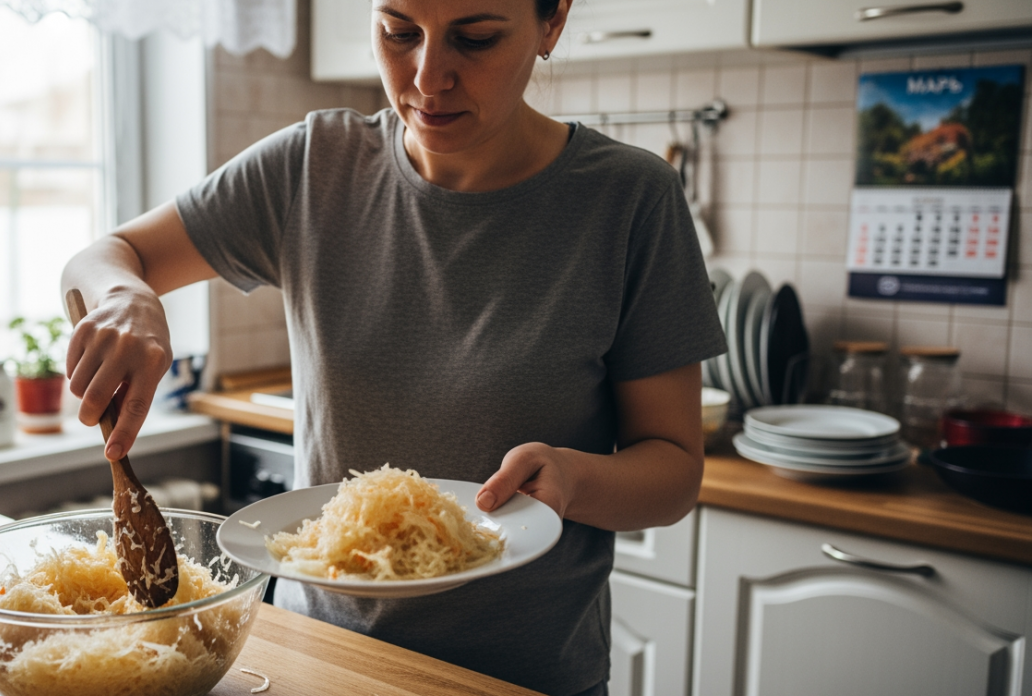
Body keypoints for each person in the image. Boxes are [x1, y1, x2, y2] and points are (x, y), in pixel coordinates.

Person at [61, 1, 726, 694]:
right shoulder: (313, 165)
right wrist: (124, 296)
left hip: (523, 677)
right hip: (319, 664)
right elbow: (104, 256)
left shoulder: (631, 199)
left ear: (551, 23)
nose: (427, 76)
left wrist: (572, 478)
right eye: (399, 32)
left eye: (475, 38)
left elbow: (674, 470)